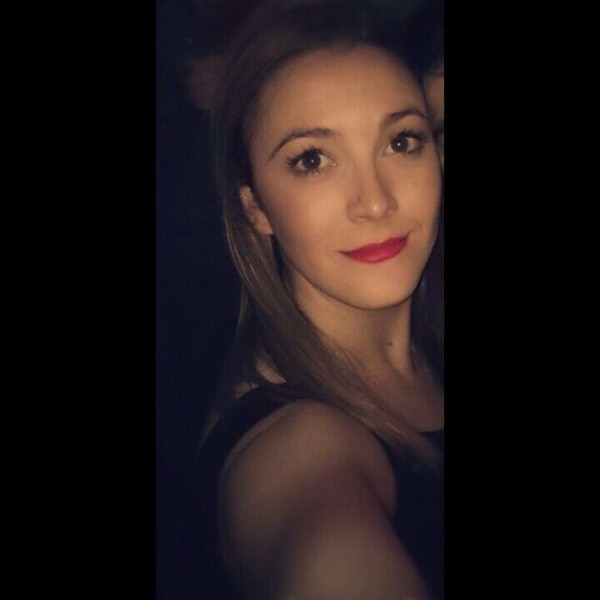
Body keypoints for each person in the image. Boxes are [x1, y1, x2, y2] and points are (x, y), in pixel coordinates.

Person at [188, 1, 445, 598]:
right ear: (255, 207)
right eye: (312, 160)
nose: (374, 202)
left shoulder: (429, 340)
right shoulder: (292, 453)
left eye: (401, 141)